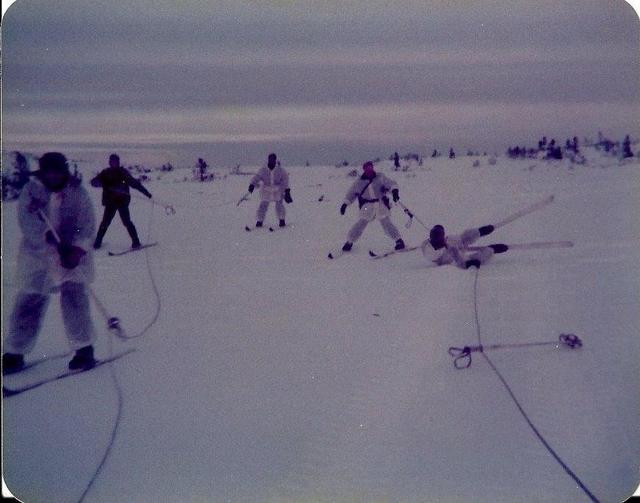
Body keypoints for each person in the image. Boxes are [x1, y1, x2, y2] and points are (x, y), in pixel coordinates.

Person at [3, 153, 98, 373]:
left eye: (57, 171)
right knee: (29, 301)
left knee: (75, 299)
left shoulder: (78, 193)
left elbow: (86, 225)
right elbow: (26, 221)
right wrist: (46, 235)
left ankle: (84, 350)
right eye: (49, 171)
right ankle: (15, 351)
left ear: (64, 171)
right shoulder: (31, 191)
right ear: (42, 172)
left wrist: (76, 250)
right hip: (39, 256)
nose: (53, 176)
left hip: (70, 256)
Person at [339, 161, 405, 252]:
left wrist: (394, 191)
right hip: (367, 205)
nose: (369, 171)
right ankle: (349, 242)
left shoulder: (380, 177)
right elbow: (351, 193)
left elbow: (390, 183)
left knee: (386, 222)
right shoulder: (359, 182)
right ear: (364, 170)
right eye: (367, 169)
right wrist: (345, 204)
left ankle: (399, 240)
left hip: (380, 203)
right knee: (361, 223)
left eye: (371, 168)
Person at [91, 153, 152, 249]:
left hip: (122, 203)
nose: (114, 163)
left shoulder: (123, 173)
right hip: (110, 203)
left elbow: (135, 184)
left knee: (127, 222)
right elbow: (93, 182)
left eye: (115, 162)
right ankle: (97, 243)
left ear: (118, 162)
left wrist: (147, 194)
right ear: (110, 162)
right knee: (105, 223)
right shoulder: (105, 173)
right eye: (112, 162)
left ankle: (136, 242)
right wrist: (101, 183)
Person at [421, 223, 508, 269]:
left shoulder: (445, 240)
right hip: (448, 258)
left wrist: (479, 231)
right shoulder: (436, 252)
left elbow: (459, 239)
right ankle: (491, 249)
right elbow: (459, 261)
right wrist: (467, 264)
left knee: (463, 237)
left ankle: (481, 231)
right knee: (472, 259)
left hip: (451, 247)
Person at [247, 153, 292, 228]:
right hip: (266, 190)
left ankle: (282, 220)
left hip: (277, 190)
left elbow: (285, 181)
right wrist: (252, 184)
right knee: (263, 206)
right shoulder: (263, 169)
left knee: (279, 205)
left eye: (273, 159)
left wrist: (287, 192)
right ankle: (259, 221)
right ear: (268, 159)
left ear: (275, 160)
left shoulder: (281, 170)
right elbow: (257, 177)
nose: (271, 160)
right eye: (270, 159)